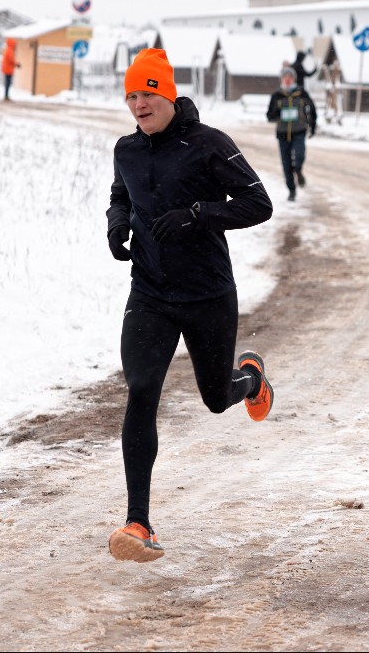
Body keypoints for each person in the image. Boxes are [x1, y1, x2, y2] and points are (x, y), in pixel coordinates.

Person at [105, 48, 275, 564]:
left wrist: (198, 214)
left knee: (215, 397)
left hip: (206, 294)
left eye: (146, 94)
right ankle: (139, 522)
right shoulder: (126, 150)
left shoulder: (209, 146)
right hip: (151, 293)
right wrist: (116, 224)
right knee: (140, 391)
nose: (138, 104)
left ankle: (250, 379)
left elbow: (258, 204)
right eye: (131, 95)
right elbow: (122, 196)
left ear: (167, 93)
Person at [266, 67, 317, 202]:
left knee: (299, 156)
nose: (287, 80)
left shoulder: (301, 93)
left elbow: (311, 108)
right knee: (286, 164)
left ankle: (299, 171)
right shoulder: (276, 95)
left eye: (290, 77)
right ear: (282, 79)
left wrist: (313, 124)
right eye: (285, 77)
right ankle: (292, 190)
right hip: (283, 134)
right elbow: (269, 116)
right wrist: (276, 112)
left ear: (294, 79)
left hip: (299, 131)